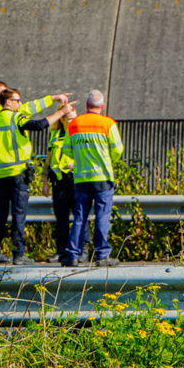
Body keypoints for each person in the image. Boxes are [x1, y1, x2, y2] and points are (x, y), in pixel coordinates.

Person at [0, 80, 69, 263]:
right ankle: (19, 254)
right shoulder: (15, 118)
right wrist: (60, 111)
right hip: (18, 174)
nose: (20, 104)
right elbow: (39, 125)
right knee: (18, 215)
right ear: (7, 102)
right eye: (17, 101)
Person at [61, 90, 124, 268]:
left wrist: (80, 161)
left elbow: (66, 150)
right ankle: (102, 256)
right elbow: (118, 150)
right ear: (102, 106)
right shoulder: (108, 123)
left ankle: (73, 255)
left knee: (80, 217)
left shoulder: (75, 124)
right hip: (103, 178)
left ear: (87, 106)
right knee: (102, 216)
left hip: (81, 179)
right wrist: (108, 161)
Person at [42, 103, 90, 264]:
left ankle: (83, 250)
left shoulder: (81, 133)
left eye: (71, 117)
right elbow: (49, 159)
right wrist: (45, 180)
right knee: (61, 218)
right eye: (65, 117)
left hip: (76, 179)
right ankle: (61, 251)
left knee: (80, 216)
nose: (68, 121)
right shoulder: (55, 135)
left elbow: (87, 155)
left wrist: (77, 165)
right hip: (59, 180)